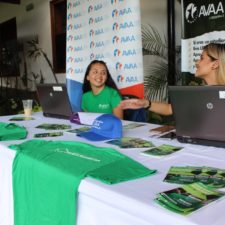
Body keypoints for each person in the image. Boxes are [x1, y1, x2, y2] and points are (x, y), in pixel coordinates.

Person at [119, 43, 225, 115]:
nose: (197, 62)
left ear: (215, 64)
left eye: (201, 58)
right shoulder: (197, 92)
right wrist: (145, 103)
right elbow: (170, 109)